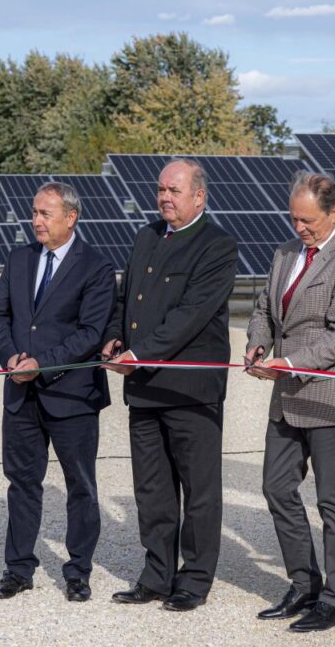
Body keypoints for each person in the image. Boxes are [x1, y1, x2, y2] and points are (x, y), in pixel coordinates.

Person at [102, 158, 238, 612]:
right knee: (153, 488)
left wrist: (139, 356)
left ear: (198, 195)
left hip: (188, 389)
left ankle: (194, 580)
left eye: (174, 190)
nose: (164, 197)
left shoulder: (217, 246)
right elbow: (126, 298)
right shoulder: (146, 236)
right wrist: (116, 338)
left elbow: (191, 314)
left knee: (199, 489)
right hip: (144, 387)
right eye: (161, 189)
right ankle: (156, 574)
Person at [245, 172, 335, 633]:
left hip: (331, 397)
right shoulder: (284, 253)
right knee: (277, 487)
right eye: (294, 218)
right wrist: (258, 346)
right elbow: (264, 308)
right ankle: (304, 584)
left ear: (334, 214)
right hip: (286, 395)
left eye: (308, 221)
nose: (299, 228)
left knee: (333, 500)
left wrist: (289, 361)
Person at [0, 182, 116, 602]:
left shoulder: (95, 266)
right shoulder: (19, 258)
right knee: (22, 482)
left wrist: (42, 365)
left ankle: (78, 572)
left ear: (70, 217)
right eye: (34, 212)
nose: (36, 220)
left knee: (80, 484)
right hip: (20, 393)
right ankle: (18, 569)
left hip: (71, 395)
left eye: (45, 213)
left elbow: (92, 333)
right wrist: (10, 358)